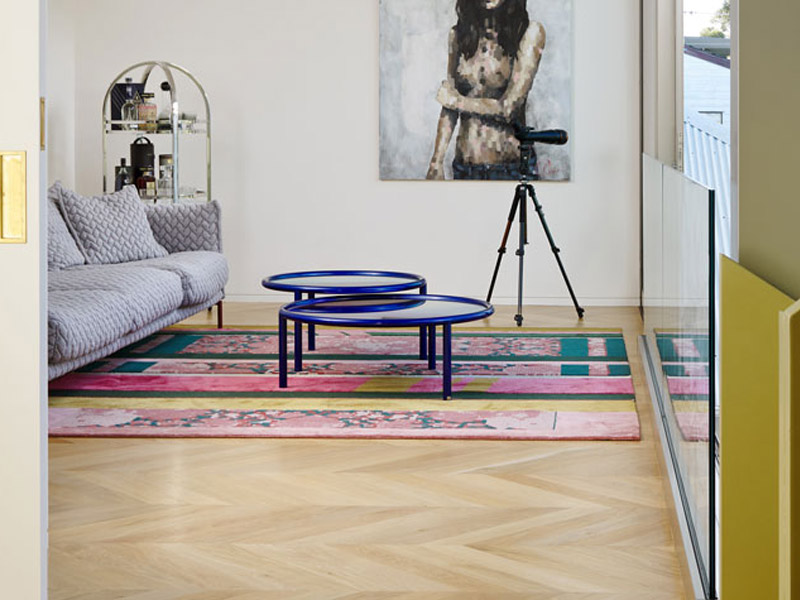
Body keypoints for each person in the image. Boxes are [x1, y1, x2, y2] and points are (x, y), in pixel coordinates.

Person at [426, 0, 546, 180]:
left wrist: (457, 101)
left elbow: (509, 108)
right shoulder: (458, 35)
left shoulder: (529, 32)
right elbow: (449, 106)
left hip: (510, 169)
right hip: (464, 168)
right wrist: (436, 161)